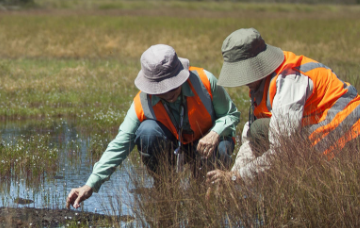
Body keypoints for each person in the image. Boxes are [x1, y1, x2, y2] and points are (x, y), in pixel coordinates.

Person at [67, 44, 240, 209]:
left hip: (208, 147)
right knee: (147, 132)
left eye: (172, 84)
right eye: (161, 87)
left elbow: (232, 114)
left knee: (222, 146)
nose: (168, 92)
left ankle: (208, 188)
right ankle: (165, 186)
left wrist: (216, 132)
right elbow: (120, 144)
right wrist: (90, 184)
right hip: (174, 148)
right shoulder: (141, 103)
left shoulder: (206, 81)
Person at [206, 27, 360, 187]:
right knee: (258, 129)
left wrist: (237, 177)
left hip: (352, 134)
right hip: (319, 133)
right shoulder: (260, 86)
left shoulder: (289, 81)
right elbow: (251, 141)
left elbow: (282, 151)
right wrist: (230, 179)